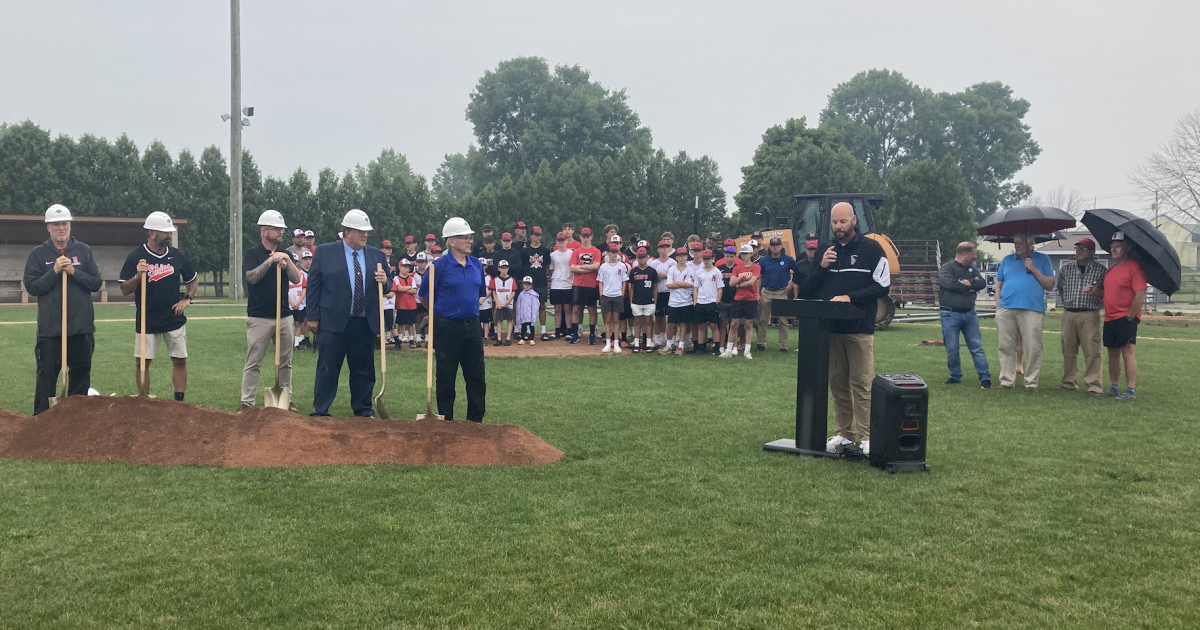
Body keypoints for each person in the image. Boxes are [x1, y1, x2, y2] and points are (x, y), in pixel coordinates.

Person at [801, 202, 890, 455]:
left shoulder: (871, 248)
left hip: (859, 328)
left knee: (861, 384)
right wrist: (822, 267)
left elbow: (882, 285)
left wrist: (850, 297)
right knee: (837, 384)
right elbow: (807, 290)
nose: (839, 227)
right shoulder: (823, 251)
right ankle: (844, 434)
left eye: (843, 222)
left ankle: (866, 437)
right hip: (830, 329)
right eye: (834, 223)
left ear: (854, 220)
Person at [306, 209, 391, 417]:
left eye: (366, 231)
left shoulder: (376, 255)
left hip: (365, 323)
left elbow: (387, 287)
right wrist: (313, 316)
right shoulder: (325, 252)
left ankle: (363, 409)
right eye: (360, 231)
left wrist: (385, 281)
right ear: (347, 232)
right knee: (328, 368)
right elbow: (314, 286)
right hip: (332, 322)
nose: (365, 235)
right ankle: (321, 410)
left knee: (363, 370)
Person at [24, 204, 103, 415]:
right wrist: (55, 271)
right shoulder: (38, 254)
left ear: (70, 226)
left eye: (65, 224)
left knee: (80, 376)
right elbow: (32, 287)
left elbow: (96, 283)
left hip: (81, 328)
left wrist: (74, 272)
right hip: (51, 330)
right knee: (46, 377)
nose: (61, 228)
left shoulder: (83, 251)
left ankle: (75, 422)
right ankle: (41, 421)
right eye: (56, 224)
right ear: (48, 227)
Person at [116, 211, 198, 400]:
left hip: (173, 319)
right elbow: (124, 289)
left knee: (179, 361)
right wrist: (137, 276)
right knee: (143, 363)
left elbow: (193, 280)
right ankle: (144, 399)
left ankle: (179, 401)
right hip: (147, 318)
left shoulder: (177, 256)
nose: (169, 235)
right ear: (152, 232)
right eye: (165, 232)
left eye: (170, 232)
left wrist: (187, 299)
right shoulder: (136, 256)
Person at [419, 217, 489, 422]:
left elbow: (479, 294)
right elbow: (424, 296)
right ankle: (446, 422)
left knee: (476, 377)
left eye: (470, 237)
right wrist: (440, 314)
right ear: (452, 241)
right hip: (447, 328)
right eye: (464, 237)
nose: (469, 241)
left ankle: (475, 422)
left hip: (473, 327)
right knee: (446, 378)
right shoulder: (438, 267)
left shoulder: (476, 264)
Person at [240, 209, 303, 413]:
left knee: (286, 361)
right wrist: (271, 261)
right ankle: (247, 402)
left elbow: (297, 279)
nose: (281, 232)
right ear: (264, 231)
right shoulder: (252, 254)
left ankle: (286, 398)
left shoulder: (287, 253)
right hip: (259, 317)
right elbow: (251, 278)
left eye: (282, 229)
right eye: (277, 229)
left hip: (284, 315)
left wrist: (285, 259)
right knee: (253, 361)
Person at [994, 232, 1055, 391]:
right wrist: (998, 304)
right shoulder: (1007, 260)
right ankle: (1007, 380)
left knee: (1033, 347)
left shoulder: (1043, 259)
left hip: (1032, 309)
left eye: (1020, 243)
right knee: (1006, 346)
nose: (1017, 246)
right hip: (1006, 308)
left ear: (1030, 244)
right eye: (1015, 243)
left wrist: (1034, 269)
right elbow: (999, 284)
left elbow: (1049, 285)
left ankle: (1031, 382)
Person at [1053, 238, 1107, 395]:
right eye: (1078, 249)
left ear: (1092, 252)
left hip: (1089, 313)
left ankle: (1094, 385)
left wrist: (1095, 292)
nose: (1080, 252)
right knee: (1068, 349)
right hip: (1069, 312)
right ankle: (1069, 382)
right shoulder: (1066, 269)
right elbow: (1061, 288)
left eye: (1084, 249)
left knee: (1092, 350)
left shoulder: (1101, 271)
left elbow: (1106, 293)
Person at [1096, 232, 1146, 400]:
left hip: (1125, 316)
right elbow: (1107, 293)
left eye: (1118, 245)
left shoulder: (1134, 267)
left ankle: (1130, 390)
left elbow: (1140, 294)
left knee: (1127, 351)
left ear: (1128, 248)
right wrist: (1094, 292)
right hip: (1110, 317)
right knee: (1112, 352)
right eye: (1112, 245)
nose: (1113, 248)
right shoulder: (1111, 269)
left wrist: (1131, 316)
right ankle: (1114, 387)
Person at [937, 242, 991, 388]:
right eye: (974, 254)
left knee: (976, 346)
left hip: (970, 314)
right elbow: (950, 284)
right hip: (949, 314)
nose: (976, 257)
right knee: (952, 347)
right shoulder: (946, 268)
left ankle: (985, 377)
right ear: (965, 254)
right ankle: (955, 375)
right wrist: (969, 287)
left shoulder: (972, 270)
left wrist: (968, 282)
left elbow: (982, 284)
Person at [755, 236, 796, 352]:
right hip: (766, 291)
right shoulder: (764, 260)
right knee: (762, 320)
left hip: (781, 292)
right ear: (770, 247)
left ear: (781, 246)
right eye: (773, 245)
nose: (775, 247)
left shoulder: (788, 259)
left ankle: (784, 346)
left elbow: (798, 272)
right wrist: (758, 293)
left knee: (783, 320)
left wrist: (790, 285)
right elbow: (760, 277)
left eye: (777, 245)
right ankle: (761, 344)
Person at [727, 244, 761, 360]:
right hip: (738, 298)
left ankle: (747, 350)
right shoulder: (737, 268)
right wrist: (742, 277)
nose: (744, 256)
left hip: (750, 298)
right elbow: (731, 283)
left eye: (746, 253)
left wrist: (739, 284)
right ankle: (729, 349)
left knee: (748, 324)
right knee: (733, 324)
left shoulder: (756, 267)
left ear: (751, 254)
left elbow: (752, 282)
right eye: (742, 253)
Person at [569, 227, 602, 344]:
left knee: (592, 309)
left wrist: (580, 267)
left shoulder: (596, 251)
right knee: (576, 308)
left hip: (591, 284)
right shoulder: (576, 251)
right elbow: (572, 268)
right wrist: (588, 268)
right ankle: (575, 333)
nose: (586, 239)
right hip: (578, 284)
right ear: (580, 237)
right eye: (584, 236)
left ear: (591, 237)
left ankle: (592, 334)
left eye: (588, 236)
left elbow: (596, 266)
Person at [662, 247, 695, 356]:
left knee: (684, 323)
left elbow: (689, 285)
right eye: (680, 256)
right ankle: (669, 344)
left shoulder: (690, 269)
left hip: (686, 301)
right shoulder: (672, 269)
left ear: (687, 257)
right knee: (671, 323)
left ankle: (680, 346)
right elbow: (669, 285)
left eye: (684, 255)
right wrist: (681, 283)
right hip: (673, 301)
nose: (682, 258)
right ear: (676, 257)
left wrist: (676, 282)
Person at [597, 243, 630, 354]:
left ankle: (616, 343)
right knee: (607, 320)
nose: (614, 254)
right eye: (612, 252)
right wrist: (602, 294)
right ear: (608, 253)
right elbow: (600, 282)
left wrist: (621, 293)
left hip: (617, 296)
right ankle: (607, 343)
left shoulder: (621, 266)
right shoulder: (603, 266)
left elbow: (624, 280)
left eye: (616, 252)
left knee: (616, 320)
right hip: (606, 295)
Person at [522, 226, 552, 340]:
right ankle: (529, 330)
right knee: (529, 307)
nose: (537, 237)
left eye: (539, 235)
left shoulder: (544, 250)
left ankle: (543, 331)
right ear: (531, 236)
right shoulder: (525, 251)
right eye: (535, 235)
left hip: (541, 281)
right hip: (530, 283)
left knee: (542, 306)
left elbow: (547, 267)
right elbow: (524, 267)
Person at [692, 249, 724, 355]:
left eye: (708, 259)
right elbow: (696, 288)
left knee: (714, 325)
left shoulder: (717, 272)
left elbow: (720, 288)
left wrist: (717, 302)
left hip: (712, 301)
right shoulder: (699, 272)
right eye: (705, 259)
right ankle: (701, 346)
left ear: (713, 259)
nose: (706, 261)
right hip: (701, 302)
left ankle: (717, 346)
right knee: (701, 325)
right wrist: (695, 302)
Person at [628, 247, 659, 353]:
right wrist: (631, 301)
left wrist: (655, 302)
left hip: (649, 301)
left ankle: (648, 343)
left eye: (643, 257)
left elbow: (655, 288)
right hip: (637, 300)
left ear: (647, 257)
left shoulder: (652, 271)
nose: (641, 259)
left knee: (648, 322)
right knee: (637, 322)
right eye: (639, 257)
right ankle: (637, 343)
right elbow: (631, 288)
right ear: (636, 258)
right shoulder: (633, 271)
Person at [548, 232, 575, 339]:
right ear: (556, 241)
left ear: (566, 241)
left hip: (568, 284)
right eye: (559, 240)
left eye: (563, 240)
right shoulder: (553, 255)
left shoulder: (571, 253)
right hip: (556, 284)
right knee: (557, 308)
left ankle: (569, 330)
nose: (561, 242)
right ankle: (557, 331)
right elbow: (551, 269)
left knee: (567, 309)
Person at [717, 240, 740, 356]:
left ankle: (734, 346)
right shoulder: (719, 268)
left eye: (731, 256)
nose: (729, 258)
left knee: (734, 324)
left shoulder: (738, 268)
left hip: (735, 298)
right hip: (723, 299)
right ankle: (721, 346)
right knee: (722, 324)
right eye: (727, 256)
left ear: (735, 257)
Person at [650, 240, 674, 349]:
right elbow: (652, 279)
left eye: (666, 247)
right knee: (658, 317)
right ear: (658, 249)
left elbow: (675, 277)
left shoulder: (673, 263)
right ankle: (657, 339)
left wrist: (666, 276)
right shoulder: (654, 263)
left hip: (670, 292)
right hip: (659, 292)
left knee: (671, 318)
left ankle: (670, 339)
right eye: (662, 247)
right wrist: (657, 276)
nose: (664, 249)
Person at [392, 261, 418, 349]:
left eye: (408, 267)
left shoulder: (411, 279)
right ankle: (399, 339)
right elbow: (398, 288)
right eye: (405, 267)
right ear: (399, 267)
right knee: (401, 323)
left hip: (411, 304)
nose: (407, 269)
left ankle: (411, 338)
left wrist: (404, 289)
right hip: (401, 304)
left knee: (410, 323)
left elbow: (414, 291)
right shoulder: (396, 278)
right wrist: (409, 288)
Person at [491, 260, 516, 346]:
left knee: (509, 320)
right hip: (499, 303)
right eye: (502, 268)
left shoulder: (512, 280)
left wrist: (507, 302)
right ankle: (499, 338)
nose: (504, 270)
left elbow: (513, 292)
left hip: (508, 304)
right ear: (499, 269)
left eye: (506, 268)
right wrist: (497, 303)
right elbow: (494, 292)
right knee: (499, 320)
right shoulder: (495, 280)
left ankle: (508, 338)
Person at [294, 250, 313, 349]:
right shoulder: (299, 273)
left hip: (313, 300)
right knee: (304, 321)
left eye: (310, 259)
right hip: (304, 299)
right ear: (302, 261)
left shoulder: (315, 272)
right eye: (306, 259)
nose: (308, 262)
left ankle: (316, 340)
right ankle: (306, 340)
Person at [515, 276, 540, 344]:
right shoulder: (521, 295)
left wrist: (533, 315)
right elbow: (519, 305)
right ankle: (522, 338)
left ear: (531, 285)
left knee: (531, 326)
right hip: (523, 314)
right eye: (525, 284)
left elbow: (535, 306)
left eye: (528, 284)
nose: (526, 286)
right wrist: (519, 314)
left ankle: (532, 338)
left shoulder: (533, 295)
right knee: (524, 326)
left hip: (530, 314)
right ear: (523, 284)